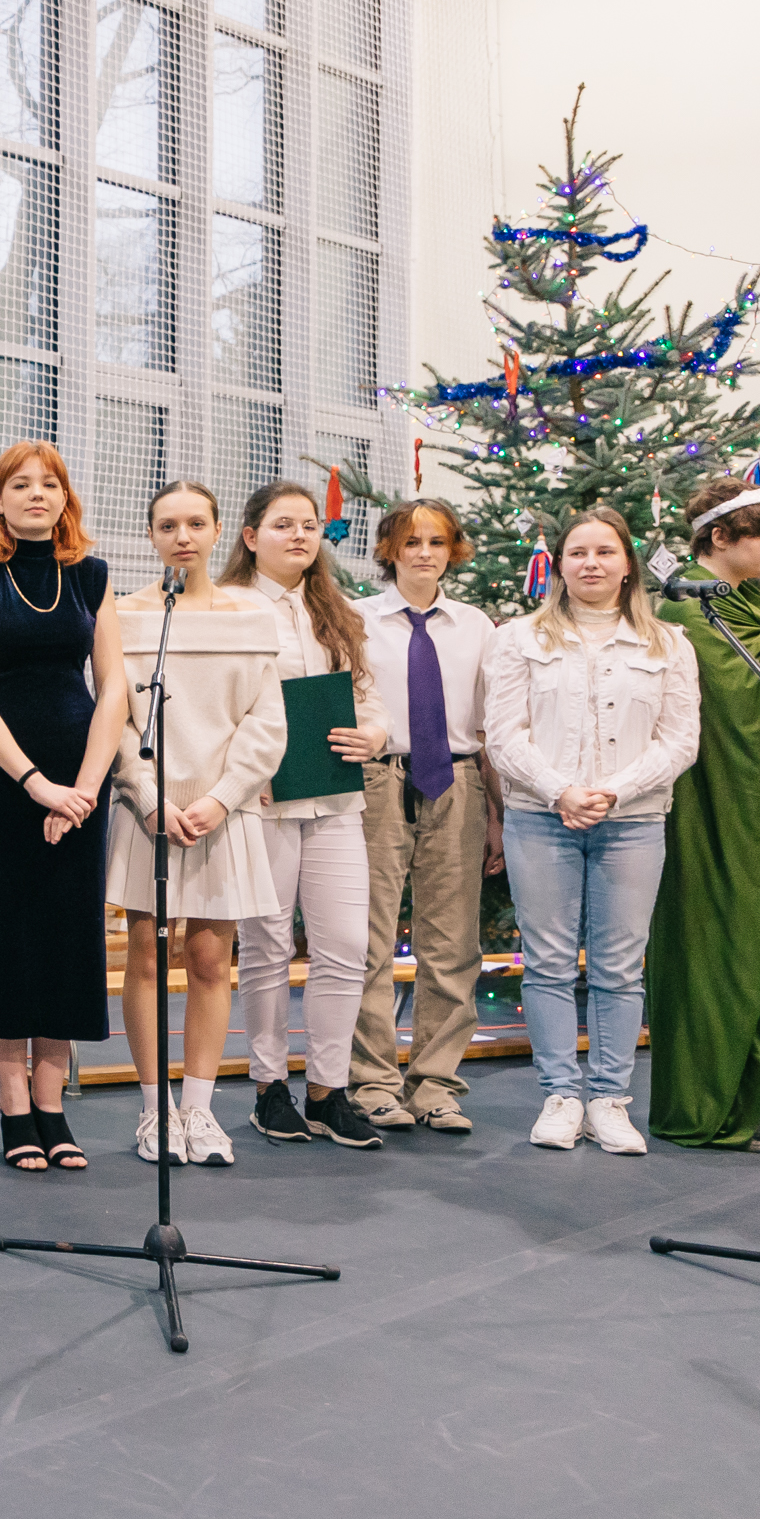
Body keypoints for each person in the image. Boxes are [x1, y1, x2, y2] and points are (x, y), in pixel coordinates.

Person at [484, 505, 700, 1155]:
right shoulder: (519, 639)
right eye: (578, 552)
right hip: (540, 817)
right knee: (548, 962)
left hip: (632, 822)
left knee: (619, 967)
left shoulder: (668, 644)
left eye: (605, 551)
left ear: (627, 563)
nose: (591, 563)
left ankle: (609, 1099)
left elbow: (680, 740)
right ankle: (560, 1095)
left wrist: (614, 792)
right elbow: (503, 734)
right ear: (560, 563)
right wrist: (561, 791)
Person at [0, 442, 124, 1172]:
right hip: (3, 779)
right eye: (20, 484)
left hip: (81, 780)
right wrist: (35, 783)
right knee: (9, 934)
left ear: (65, 497)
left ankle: (53, 1105)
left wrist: (83, 786)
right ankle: (14, 1107)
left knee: (68, 938)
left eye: (50, 483)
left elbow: (114, 688)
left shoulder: (91, 577)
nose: (37, 494)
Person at [105, 483, 287, 1167]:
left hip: (222, 812)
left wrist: (224, 796)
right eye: (167, 525)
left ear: (217, 531)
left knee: (211, 960)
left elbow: (266, 722)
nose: (182, 536)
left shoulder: (250, 617)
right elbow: (114, 720)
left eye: (195, 523)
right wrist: (150, 797)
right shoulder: (126, 617)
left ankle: (201, 1110)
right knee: (147, 958)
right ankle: (155, 1111)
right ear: (151, 535)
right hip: (148, 812)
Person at [218, 482, 392, 1150]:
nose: (299, 535)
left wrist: (373, 734)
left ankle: (328, 1089)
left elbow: (367, 695)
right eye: (283, 524)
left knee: (345, 945)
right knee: (266, 945)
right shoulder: (227, 607)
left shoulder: (336, 610)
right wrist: (243, 773)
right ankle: (270, 1088)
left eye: (310, 525)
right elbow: (214, 706)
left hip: (334, 798)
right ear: (250, 535)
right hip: (260, 800)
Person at [646, 480, 760, 1150]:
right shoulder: (685, 615)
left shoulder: (756, 615)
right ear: (719, 537)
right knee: (715, 947)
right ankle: (711, 1102)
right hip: (711, 816)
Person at [348, 499, 504, 1135]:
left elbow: (490, 724)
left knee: (453, 945)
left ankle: (436, 1085)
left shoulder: (476, 626)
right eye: (411, 541)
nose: (424, 553)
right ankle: (372, 1084)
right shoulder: (356, 619)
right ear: (390, 549)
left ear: (452, 551)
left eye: (436, 542)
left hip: (458, 782)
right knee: (368, 941)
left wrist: (497, 812)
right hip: (378, 780)